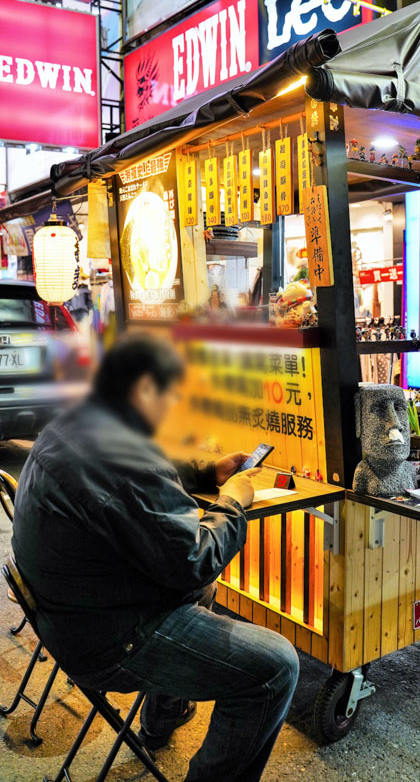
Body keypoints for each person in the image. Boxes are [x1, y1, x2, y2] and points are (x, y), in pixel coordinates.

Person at [11, 334, 299, 782]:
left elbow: (135, 476)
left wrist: (205, 471)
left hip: (67, 613)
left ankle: (160, 719)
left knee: (198, 587)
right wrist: (233, 500)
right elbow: (195, 557)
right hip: (105, 639)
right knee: (275, 667)